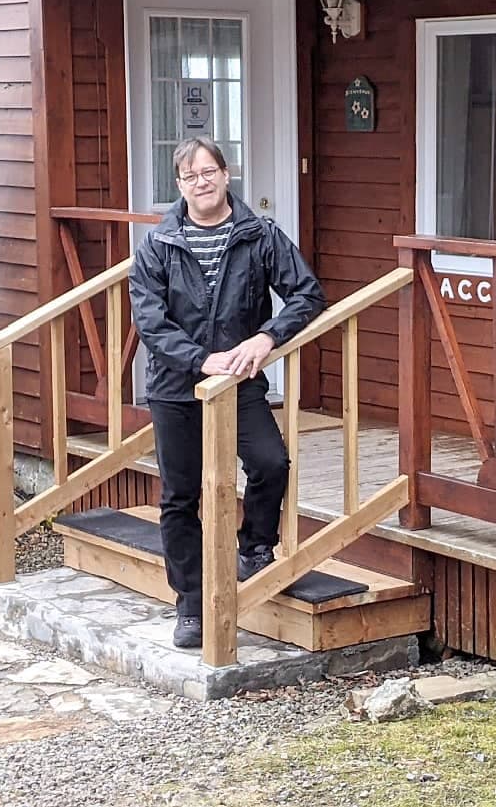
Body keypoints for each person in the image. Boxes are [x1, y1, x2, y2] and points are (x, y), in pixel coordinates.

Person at [128, 137, 325, 649]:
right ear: (179, 185)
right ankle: (190, 603)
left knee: (270, 464)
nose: (201, 182)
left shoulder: (259, 235)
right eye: (190, 176)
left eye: (209, 171)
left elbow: (307, 294)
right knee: (180, 496)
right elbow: (150, 320)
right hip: (177, 388)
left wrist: (267, 337)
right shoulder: (158, 245)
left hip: (240, 384)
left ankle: (256, 545)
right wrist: (199, 359)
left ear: (225, 173)